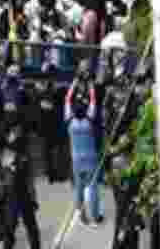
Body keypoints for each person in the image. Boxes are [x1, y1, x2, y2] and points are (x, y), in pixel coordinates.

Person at [67, 93, 103, 225]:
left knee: (79, 189)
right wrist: (91, 89)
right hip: (90, 159)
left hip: (76, 160)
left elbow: (67, 100)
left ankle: (82, 216)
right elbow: (93, 100)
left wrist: (73, 86)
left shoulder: (70, 122)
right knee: (93, 188)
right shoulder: (89, 122)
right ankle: (95, 217)